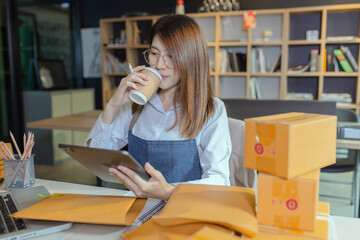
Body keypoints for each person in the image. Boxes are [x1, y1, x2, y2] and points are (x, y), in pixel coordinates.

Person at [85, 14, 231, 200]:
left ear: (191, 59)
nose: (160, 65)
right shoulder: (135, 103)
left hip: (183, 209)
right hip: (136, 208)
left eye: (171, 55)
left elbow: (220, 180)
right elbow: (97, 160)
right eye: (154, 53)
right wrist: (113, 104)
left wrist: (169, 192)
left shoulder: (211, 110)